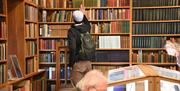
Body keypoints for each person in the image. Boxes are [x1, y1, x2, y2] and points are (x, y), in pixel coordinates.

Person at [67, 4, 94, 85]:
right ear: (82, 18)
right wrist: (83, 14)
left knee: (79, 87)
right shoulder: (87, 27)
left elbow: (72, 48)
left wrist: (71, 63)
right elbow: (87, 22)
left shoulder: (72, 31)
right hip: (88, 62)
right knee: (88, 86)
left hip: (78, 63)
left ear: (73, 19)